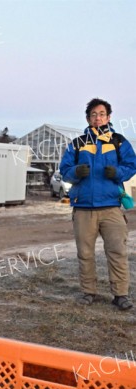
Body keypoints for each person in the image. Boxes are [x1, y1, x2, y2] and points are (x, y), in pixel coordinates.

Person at [60, 98, 136, 310]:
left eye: (102, 114)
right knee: (85, 253)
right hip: (83, 208)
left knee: (117, 252)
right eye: (93, 114)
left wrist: (118, 173)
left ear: (108, 117)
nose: (98, 117)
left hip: (111, 207)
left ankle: (120, 295)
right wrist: (75, 172)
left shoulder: (119, 141)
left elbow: (132, 164)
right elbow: (64, 170)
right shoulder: (77, 144)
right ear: (88, 118)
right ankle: (88, 292)